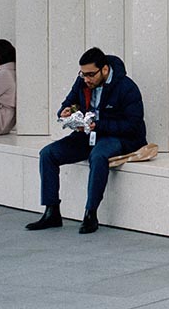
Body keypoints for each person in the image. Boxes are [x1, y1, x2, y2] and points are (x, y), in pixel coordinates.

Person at [25, 47, 146, 235]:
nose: (86, 79)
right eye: (83, 74)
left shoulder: (126, 87)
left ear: (105, 70)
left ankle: (91, 213)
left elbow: (133, 124)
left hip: (119, 137)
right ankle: (52, 212)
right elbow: (68, 103)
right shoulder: (82, 82)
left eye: (90, 74)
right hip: (88, 134)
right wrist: (66, 112)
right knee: (48, 154)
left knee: (98, 157)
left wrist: (98, 125)